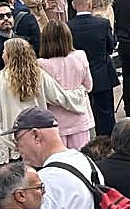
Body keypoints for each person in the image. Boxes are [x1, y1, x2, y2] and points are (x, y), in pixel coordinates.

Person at [0, 38, 88, 172]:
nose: (2, 55)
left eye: (4, 52)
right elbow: (59, 96)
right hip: (36, 140)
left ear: (9, 56)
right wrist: (79, 94)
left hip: (9, 138)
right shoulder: (39, 76)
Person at [36, 20, 96, 149]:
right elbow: (89, 86)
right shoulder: (80, 56)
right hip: (79, 117)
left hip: (55, 122)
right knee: (81, 157)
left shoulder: (40, 64)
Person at [67, 0, 118, 136]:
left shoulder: (67, 27)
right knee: (106, 113)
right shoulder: (102, 23)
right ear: (90, 3)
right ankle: (107, 142)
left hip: (78, 78)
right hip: (102, 74)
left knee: (81, 113)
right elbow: (110, 47)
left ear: (73, 5)